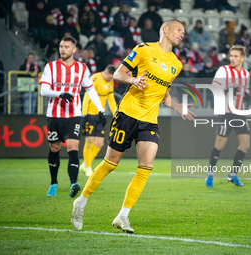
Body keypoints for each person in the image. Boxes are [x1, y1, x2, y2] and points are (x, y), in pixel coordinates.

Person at [71, 20, 196, 233]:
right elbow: (119, 74)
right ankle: (80, 203)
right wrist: (134, 80)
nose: (182, 34)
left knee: (146, 166)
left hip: (150, 119)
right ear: (164, 29)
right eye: (178, 30)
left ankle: (123, 216)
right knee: (111, 163)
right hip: (128, 113)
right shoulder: (143, 49)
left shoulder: (176, 63)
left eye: (184, 32)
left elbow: (163, 92)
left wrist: (176, 106)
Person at [39, 36, 106, 197]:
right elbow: (43, 91)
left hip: (74, 114)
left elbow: (90, 89)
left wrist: (101, 109)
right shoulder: (51, 67)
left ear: (74, 50)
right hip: (54, 115)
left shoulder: (82, 68)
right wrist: (60, 93)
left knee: (73, 147)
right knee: (54, 148)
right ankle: (53, 183)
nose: (62, 49)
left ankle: (73, 184)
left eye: (66, 47)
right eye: (61, 46)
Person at [205, 45, 251, 188]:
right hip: (226, 112)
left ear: (242, 58)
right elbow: (215, 87)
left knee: (245, 145)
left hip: (240, 113)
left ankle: (233, 174)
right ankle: (210, 173)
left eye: (236, 56)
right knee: (220, 145)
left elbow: (244, 91)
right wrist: (228, 88)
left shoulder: (246, 74)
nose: (232, 58)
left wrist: (247, 96)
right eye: (231, 55)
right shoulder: (223, 70)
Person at [79, 65, 117, 177]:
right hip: (90, 114)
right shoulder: (95, 78)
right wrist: (84, 114)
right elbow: (87, 96)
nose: (112, 80)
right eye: (111, 77)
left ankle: (85, 164)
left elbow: (111, 99)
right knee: (89, 140)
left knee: (99, 143)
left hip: (101, 115)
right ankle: (88, 168)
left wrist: (115, 114)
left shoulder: (110, 82)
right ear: (106, 73)